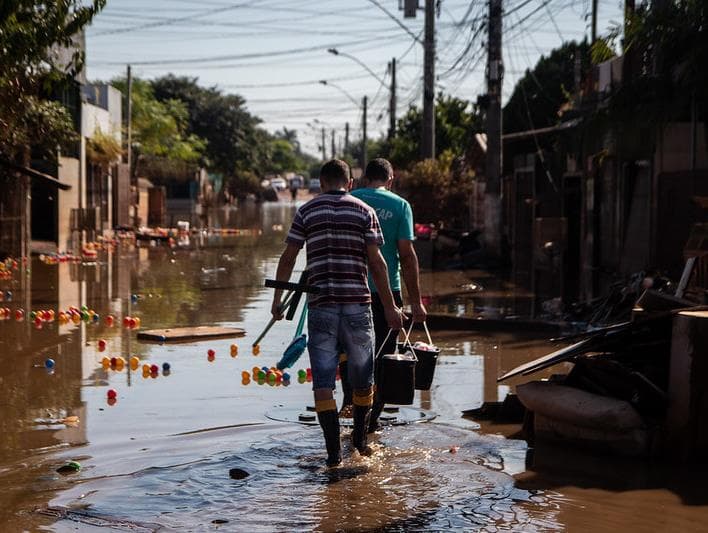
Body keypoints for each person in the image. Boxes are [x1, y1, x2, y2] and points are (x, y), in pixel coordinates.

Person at [271, 159, 403, 467]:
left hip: (322, 308)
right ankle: (359, 444)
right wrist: (390, 307)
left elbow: (289, 256)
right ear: (351, 183)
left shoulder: (306, 211)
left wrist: (277, 300)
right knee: (363, 378)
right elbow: (378, 264)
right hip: (358, 305)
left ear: (320, 182)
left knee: (324, 383)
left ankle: (332, 456)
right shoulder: (364, 211)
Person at [340, 158, 427, 432]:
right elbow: (407, 256)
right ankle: (370, 422)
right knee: (384, 357)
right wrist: (416, 303)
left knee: (351, 352)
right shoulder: (400, 205)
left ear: (365, 179)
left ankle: (351, 403)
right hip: (386, 293)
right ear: (391, 180)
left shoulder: (350, 199)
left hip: (349, 290)